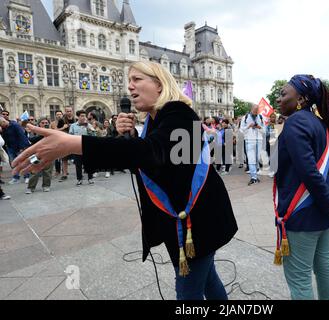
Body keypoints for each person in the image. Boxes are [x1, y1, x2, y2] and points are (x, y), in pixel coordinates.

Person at [12, 61, 238, 300]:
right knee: (209, 280)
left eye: (137, 80)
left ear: (159, 85)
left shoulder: (180, 113)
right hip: (184, 219)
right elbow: (160, 161)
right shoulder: (156, 120)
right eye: (128, 81)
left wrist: (73, 144)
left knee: (188, 293)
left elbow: (153, 152)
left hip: (198, 221)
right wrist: (127, 136)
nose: (130, 87)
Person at [274, 74, 329, 300]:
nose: (279, 99)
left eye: (283, 94)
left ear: (301, 98)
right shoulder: (321, 123)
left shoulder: (296, 122)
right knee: (324, 266)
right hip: (321, 209)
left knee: (299, 279)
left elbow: (309, 172)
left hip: (303, 211)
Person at [69, 110, 96, 186]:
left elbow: (94, 135)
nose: (83, 117)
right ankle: (79, 179)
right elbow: (70, 136)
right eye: (82, 116)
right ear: (78, 116)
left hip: (87, 147)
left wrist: (88, 128)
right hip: (77, 148)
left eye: (84, 116)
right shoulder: (73, 126)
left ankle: (90, 178)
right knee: (78, 164)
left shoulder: (89, 125)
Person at [0, 115, 30, 184]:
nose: (2, 127)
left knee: (23, 162)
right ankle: (15, 178)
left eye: (1, 125)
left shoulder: (15, 125)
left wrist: (23, 147)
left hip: (19, 147)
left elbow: (22, 136)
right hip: (10, 147)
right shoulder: (4, 128)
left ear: (4, 121)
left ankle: (27, 176)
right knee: (14, 163)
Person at [26, 117, 53, 194]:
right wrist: (43, 133)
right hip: (35, 153)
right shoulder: (34, 131)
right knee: (34, 170)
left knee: (47, 171)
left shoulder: (52, 132)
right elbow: (32, 139)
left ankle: (46, 186)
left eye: (46, 123)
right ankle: (31, 187)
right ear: (39, 124)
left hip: (48, 153)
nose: (45, 124)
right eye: (43, 123)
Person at [240, 105, 265, 185]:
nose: (255, 112)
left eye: (257, 110)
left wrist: (259, 127)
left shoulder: (261, 117)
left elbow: (265, 130)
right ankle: (253, 177)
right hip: (249, 140)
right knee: (251, 159)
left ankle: (255, 175)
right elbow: (241, 130)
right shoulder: (245, 117)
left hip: (259, 140)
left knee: (257, 159)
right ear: (251, 109)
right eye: (254, 110)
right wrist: (248, 126)